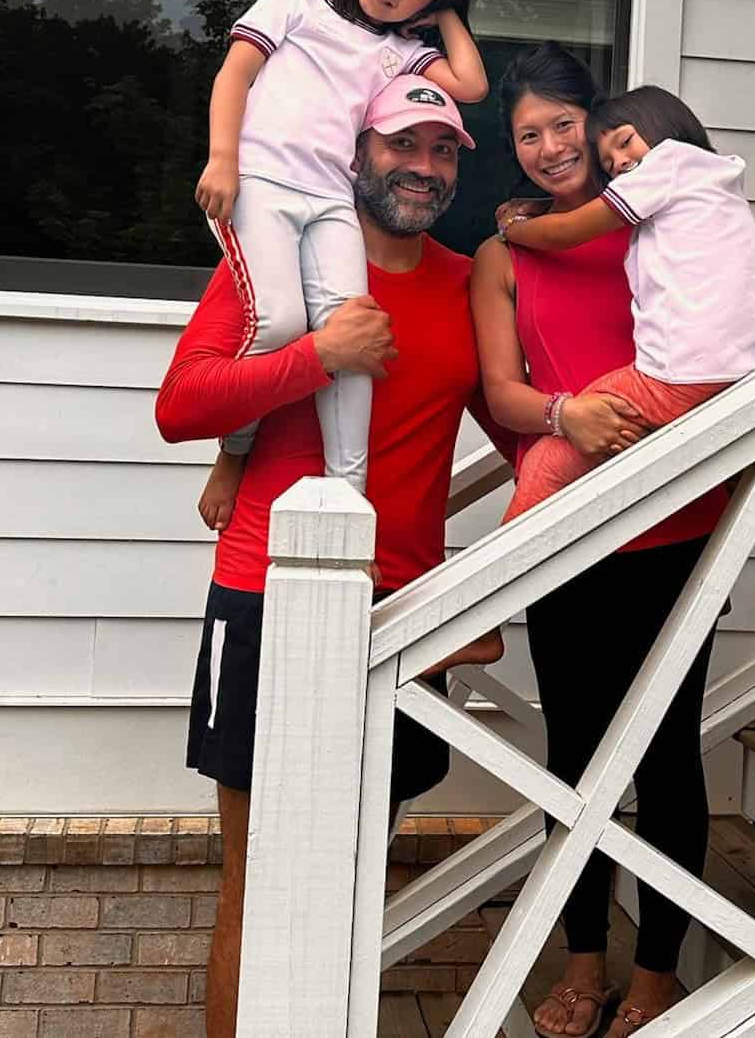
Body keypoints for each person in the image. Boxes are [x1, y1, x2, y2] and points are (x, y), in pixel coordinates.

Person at [157, 76, 509, 1038]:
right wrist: (321, 352)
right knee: (259, 881)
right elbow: (180, 407)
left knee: (353, 878)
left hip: (399, 609)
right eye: (403, 144)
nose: (423, 167)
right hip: (264, 592)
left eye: (443, 151)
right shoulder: (271, 263)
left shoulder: (461, 282)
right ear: (355, 151)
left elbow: (514, 430)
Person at [471, 46, 735, 1037]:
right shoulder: (505, 253)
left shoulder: (661, 209)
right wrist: (563, 416)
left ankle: (659, 974)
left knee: (667, 753)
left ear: (599, 120)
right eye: (526, 134)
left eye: (561, 126)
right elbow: (501, 393)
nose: (546, 147)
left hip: (679, 521)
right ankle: (584, 965)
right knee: (573, 753)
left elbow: (716, 334)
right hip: (571, 531)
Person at [193, 0, 489, 531]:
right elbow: (235, 76)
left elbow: (471, 84)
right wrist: (223, 159)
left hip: (331, 199)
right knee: (280, 323)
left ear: (427, 6)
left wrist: (448, 14)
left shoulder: (401, 51)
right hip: (263, 188)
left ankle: (349, 503)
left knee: (355, 336)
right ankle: (235, 452)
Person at [498, 84, 755, 523]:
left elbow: (563, 232)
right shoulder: (715, 184)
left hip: (677, 375)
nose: (622, 163)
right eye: (609, 163)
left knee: (546, 464)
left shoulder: (668, 164)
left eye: (625, 143)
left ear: (665, 128)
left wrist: (514, 226)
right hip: (744, 374)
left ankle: (500, 580)